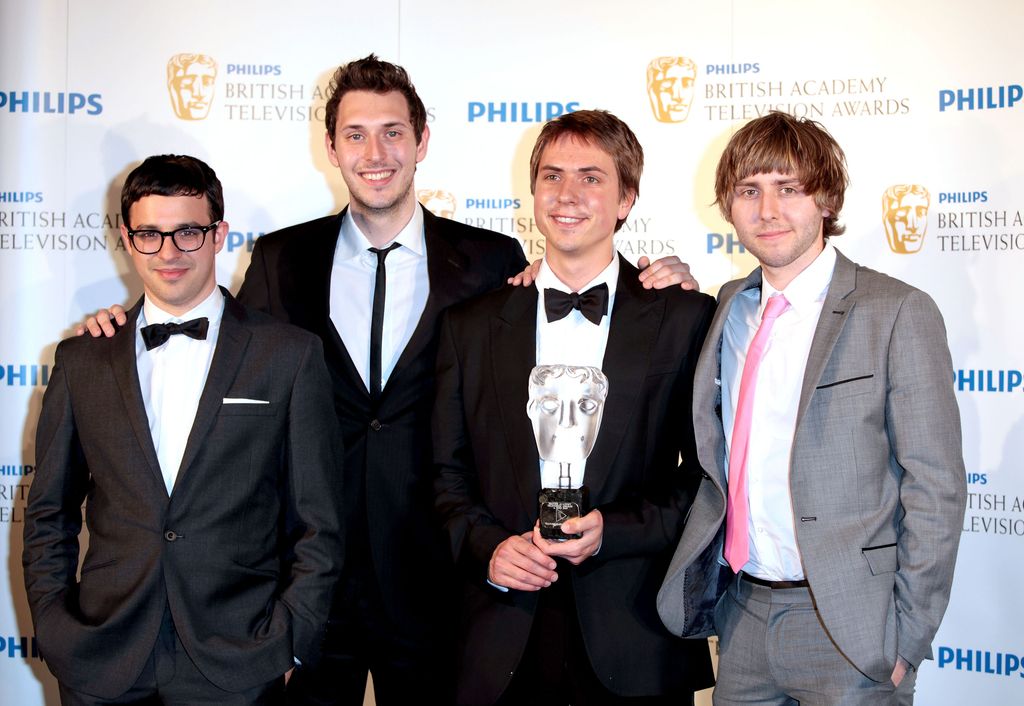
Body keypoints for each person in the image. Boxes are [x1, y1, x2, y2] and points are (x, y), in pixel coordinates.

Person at [81, 54, 697, 705]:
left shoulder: (490, 260)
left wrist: (664, 281)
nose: (375, 154)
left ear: (421, 141)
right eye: (355, 134)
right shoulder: (283, 258)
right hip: (311, 582)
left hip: (445, 583)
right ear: (331, 148)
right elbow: (223, 349)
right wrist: (129, 326)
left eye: (393, 132)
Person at [657, 112, 967, 705]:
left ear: (826, 199)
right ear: (728, 206)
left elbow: (936, 486)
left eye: (788, 188)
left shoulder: (896, 311)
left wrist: (907, 639)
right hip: (742, 615)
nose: (768, 210)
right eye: (749, 191)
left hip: (852, 628)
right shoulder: (728, 307)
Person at [24, 154, 344, 705]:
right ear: (128, 241)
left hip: (238, 660)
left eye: (187, 233)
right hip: (103, 659)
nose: (168, 253)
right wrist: (56, 628)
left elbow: (319, 522)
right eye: (149, 234)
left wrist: (288, 644)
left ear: (219, 235)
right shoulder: (82, 360)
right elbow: (49, 513)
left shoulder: (288, 356)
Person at [433, 109, 716, 705]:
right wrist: (489, 549)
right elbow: (444, 476)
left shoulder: (686, 318)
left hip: (635, 632)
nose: (567, 195)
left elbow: (706, 479)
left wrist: (616, 530)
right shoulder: (470, 326)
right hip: (501, 638)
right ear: (533, 191)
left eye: (591, 177)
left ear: (626, 199)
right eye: (552, 176)